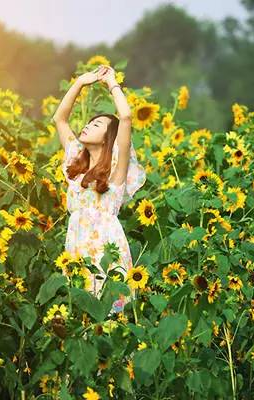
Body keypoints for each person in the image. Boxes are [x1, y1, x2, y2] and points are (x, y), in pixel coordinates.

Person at [52, 65, 146, 314]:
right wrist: (80, 83)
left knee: (111, 311)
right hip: (76, 242)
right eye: (89, 122)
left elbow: (125, 118)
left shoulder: (116, 168)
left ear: (108, 137)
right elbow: (59, 119)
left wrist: (112, 83)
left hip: (106, 247)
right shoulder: (75, 160)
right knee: (80, 311)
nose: (87, 126)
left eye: (96, 125)